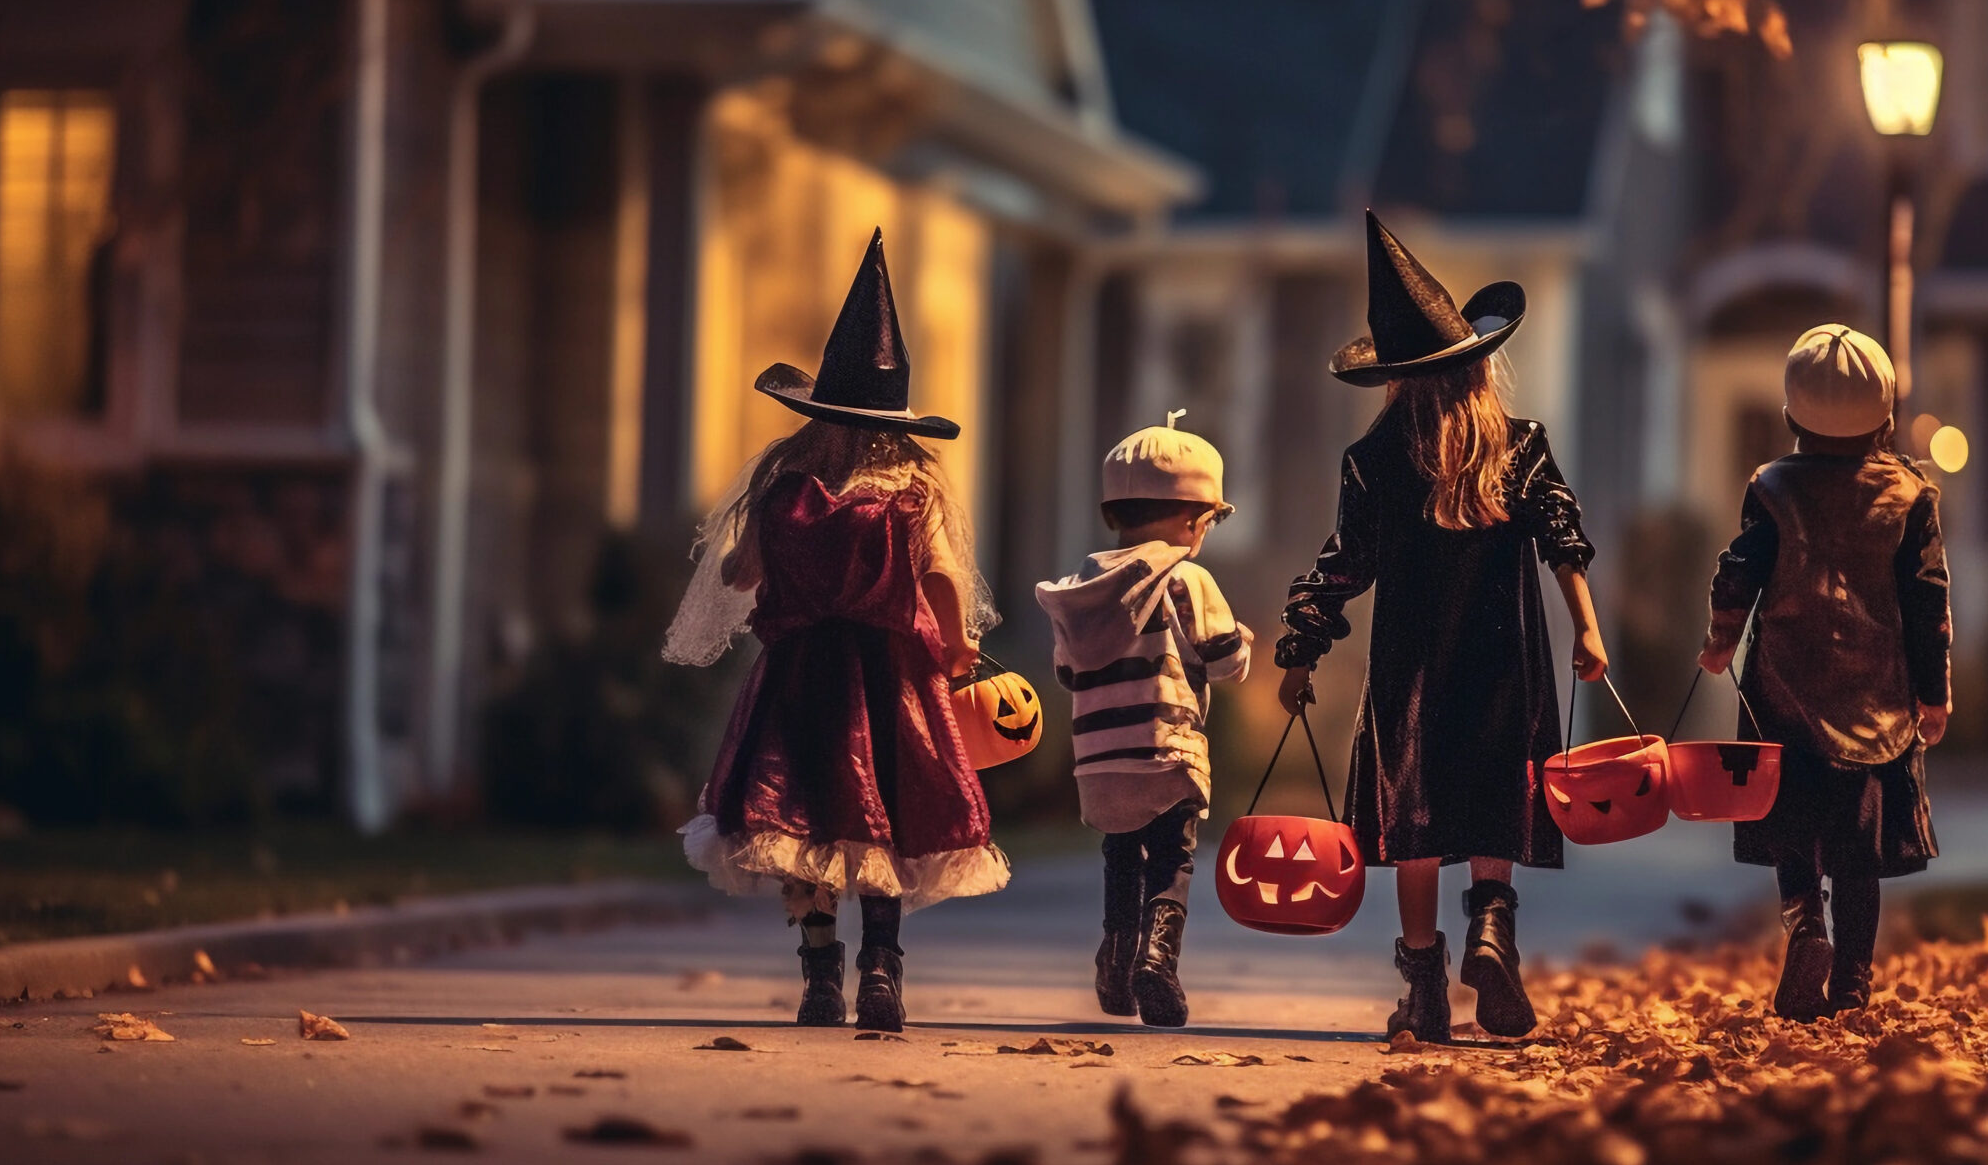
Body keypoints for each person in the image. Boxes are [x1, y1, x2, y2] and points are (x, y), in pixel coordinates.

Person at [1273, 213, 1608, 1043]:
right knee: (1495, 801)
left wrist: (1301, 649)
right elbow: (1563, 536)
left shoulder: (1377, 459)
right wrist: (1587, 631)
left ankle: (1422, 988)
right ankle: (1492, 930)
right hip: (1504, 659)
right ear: (1476, 366)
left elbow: (1344, 563)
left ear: (1396, 379)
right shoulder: (1519, 446)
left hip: (1410, 670)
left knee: (1413, 821)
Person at [663, 231, 1008, 1034]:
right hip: (891, 680)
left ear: (816, 412)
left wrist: (782, 568)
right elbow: (942, 580)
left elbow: (737, 574)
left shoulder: (785, 484)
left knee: (803, 823)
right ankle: (881, 970)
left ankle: (819, 973)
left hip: (799, 679)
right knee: (881, 814)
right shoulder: (913, 487)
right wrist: (956, 651)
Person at [1697, 323, 1950, 1022]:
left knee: (1790, 824)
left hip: (1783, 689)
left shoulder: (1772, 486)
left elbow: (1739, 569)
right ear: (1888, 416)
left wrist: (1721, 641)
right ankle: (1854, 980)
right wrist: (1934, 693)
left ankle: (1806, 923)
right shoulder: (1911, 494)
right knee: (1858, 849)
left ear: (1789, 416)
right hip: (1875, 698)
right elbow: (1928, 599)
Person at [1035, 413, 1252, 1029]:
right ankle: (1158, 960)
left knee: (1119, 853)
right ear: (1193, 519)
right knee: (1172, 858)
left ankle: (1115, 954)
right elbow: (1225, 660)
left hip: (1100, 755)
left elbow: (1069, 675)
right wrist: (1243, 644)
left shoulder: (1080, 584)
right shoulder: (1188, 578)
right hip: (1168, 746)